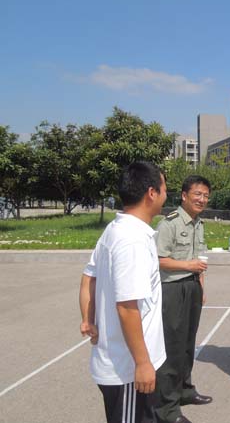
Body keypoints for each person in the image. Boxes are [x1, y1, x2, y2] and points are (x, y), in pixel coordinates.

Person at [79, 161, 167, 423]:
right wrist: (142, 363)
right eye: (164, 189)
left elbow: (89, 277)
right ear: (151, 193)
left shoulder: (116, 229)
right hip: (126, 370)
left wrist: (87, 319)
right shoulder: (132, 241)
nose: (166, 195)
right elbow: (127, 307)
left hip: (128, 363)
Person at [154, 175, 213, 423]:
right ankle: (167, 408)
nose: (202, 199)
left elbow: (200, 261)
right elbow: (159, 260)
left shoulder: (199, 224)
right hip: (173, 289)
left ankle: (185, 391)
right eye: (198, 194)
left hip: (192, 287)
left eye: (206, 196)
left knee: (188, 344)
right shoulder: (169, 224)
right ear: (184, 196)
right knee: (172, 348)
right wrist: (189, 266)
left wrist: (201, 288)